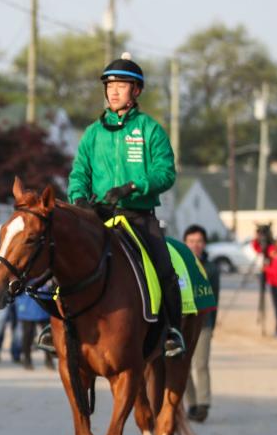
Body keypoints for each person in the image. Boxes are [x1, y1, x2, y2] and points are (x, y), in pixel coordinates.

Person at [42, 53, 181, 357]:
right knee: (61, 262)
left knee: (164, 269)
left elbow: (166, 173)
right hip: (98, 217)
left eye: (122, 85)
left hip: (138, 215)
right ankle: (52, 328)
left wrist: (133, 186)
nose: (114, 91)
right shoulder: (92, 133)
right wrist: (78, 199)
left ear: (137, 91)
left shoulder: (150, 130)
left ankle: (171, 331)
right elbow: (79, 172)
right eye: (110, 85)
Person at [182, 225, 220, 423]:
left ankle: (204, 403)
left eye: (199, 241)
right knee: (184, 365)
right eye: (191, 241)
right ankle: (192, 403)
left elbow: (215, 299)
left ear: (204, 244)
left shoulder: (212, 268)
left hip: (203, 323)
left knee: (201, 363)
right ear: (185, 243)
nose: (195, 245)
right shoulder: (177, 264)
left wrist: (212, 326)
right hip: (182, 323)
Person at [16, 288, 54, 371]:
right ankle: (27, 360)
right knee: (27, 336)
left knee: (47, 335)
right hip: (27, 306)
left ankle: (49, 360)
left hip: (44, 306)